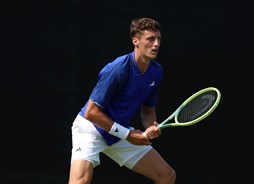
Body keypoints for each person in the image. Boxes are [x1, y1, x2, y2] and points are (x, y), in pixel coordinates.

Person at [68, 17, 176, 184]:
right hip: (91, 129)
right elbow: (91, 112)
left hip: (120, 132)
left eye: (158, 39)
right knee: (79, 182)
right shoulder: (117, 69)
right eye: (150, 39)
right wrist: (127, 134)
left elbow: (148, 111)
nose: (156, 44)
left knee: (166, 176)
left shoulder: (156, 71)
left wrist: (151, 126)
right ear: (136, 41)